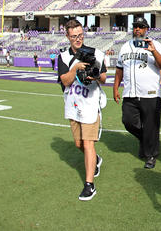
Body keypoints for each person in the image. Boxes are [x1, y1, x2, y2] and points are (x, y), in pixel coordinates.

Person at [57, 19, 107, 201]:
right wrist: (76, 68)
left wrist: (95, 75)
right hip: (73, 104)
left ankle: (89, 185)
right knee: (79, 145)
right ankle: (96, 160)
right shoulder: (63, 56)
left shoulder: (95, 53)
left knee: (88, 144)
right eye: (73, 37)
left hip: (91, 104)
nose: (78, 39)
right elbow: (65, 80)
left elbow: (103, 78)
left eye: (80, 35)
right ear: (67, 36)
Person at [113, 17, 161, 169]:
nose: (137, 29)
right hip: (130, 93)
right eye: (135, 26)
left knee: (151, 125)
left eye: (141, 26)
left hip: (150, 93)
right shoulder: (125, 46)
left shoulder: (155, 45)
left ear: (146, 29)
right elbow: (119, 69)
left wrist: (154, 51)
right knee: (128, 121)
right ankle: (146, 141)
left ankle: (151, 155)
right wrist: (115, 87)